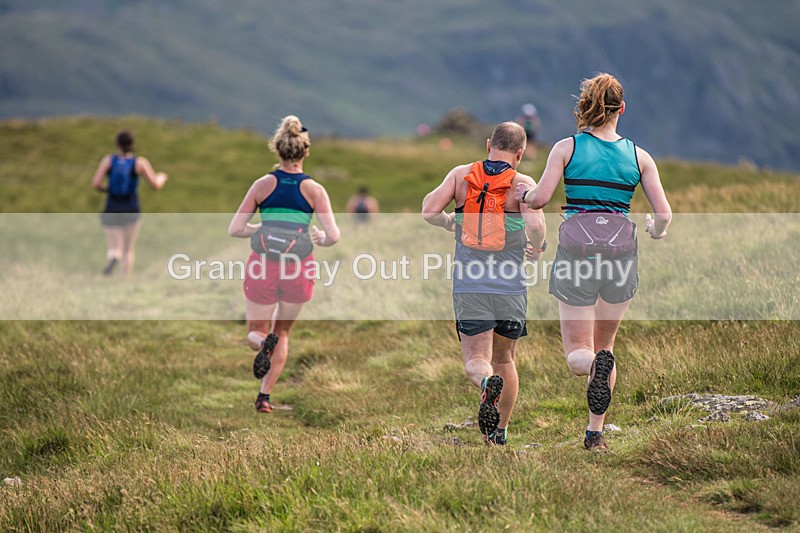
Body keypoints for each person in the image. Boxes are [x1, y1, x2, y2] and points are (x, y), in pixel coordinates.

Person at [516, 73, 671, 451]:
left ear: (586, 107)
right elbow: (663, 214)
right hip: (621, 253)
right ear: (622, 109)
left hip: (576, 251)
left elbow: (539, 200)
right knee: (606, 346)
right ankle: (595, 433)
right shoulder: (640, 156)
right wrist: (654, 229)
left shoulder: (566, 148)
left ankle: (592, 369)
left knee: (578, 355)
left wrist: (525, 192)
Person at [422, 122, 546, 445]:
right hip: (511, 286)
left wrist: (449, 221)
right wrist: (537, 247)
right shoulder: (522, 182)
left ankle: (485, 382)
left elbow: (428, 210)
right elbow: (535, 226)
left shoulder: (461, 175)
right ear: (519, 154)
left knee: (477, 361)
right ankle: (499, 434)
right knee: (506, 359)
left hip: (470, 284)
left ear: (489, 143)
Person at [228, 115, 340, 414]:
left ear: (277, 150)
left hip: (262, 265)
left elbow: (235, 229)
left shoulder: (262, 185)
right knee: (284, 333)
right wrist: (318, 236)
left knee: (257, 332)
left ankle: (262, 343)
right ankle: (264, 397)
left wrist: (259, 229)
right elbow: (333, 236)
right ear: (306, 151)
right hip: (299, 267)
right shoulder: (314, 190)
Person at [91, 130, 168, 278]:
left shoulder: (109, 161)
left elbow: (96, 184)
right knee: (129, 249)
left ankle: (114, 257)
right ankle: (125, 279)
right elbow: (155, 185)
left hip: (112, 205)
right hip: (131, 207)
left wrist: (107, 189)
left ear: (117, 144)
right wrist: (162, 177)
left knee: (114, 246)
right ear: (132, 145)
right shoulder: (139, 163)